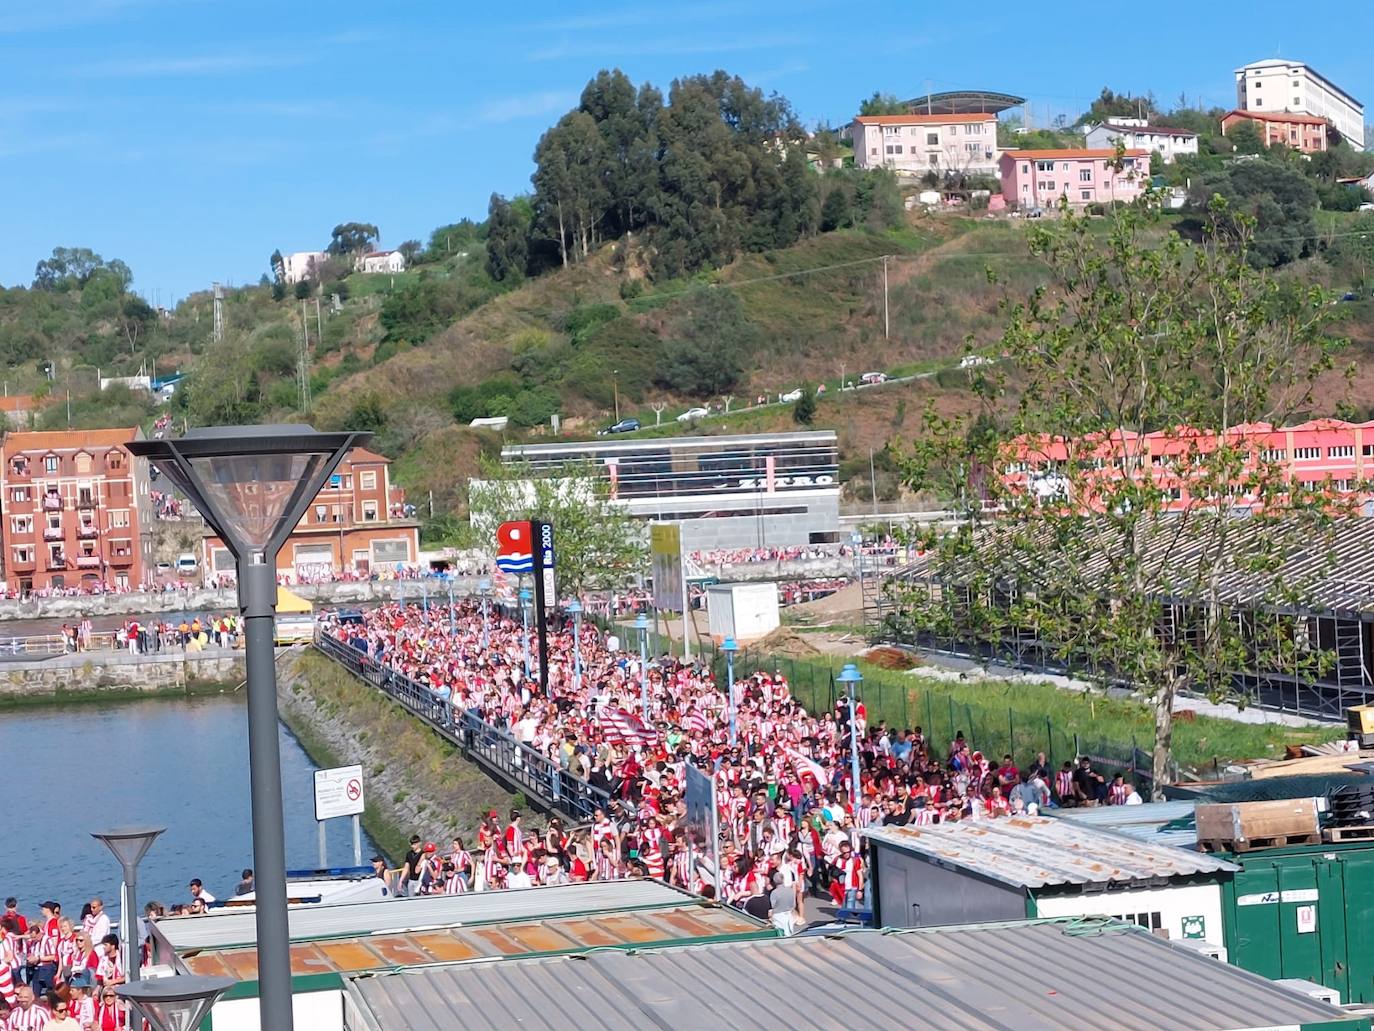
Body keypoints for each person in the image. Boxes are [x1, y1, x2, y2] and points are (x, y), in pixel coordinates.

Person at [767, 871, 796, 936]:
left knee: (781, 936)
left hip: (778, 917)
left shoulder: (774, 893)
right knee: (790, 934)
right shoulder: (790, 890)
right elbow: (793, 905)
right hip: (789, 916)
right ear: (783, 879)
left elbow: (772, 906)